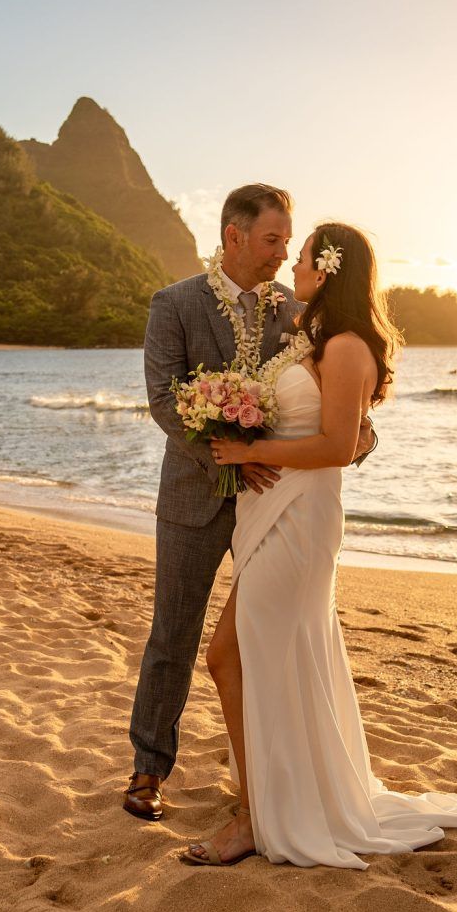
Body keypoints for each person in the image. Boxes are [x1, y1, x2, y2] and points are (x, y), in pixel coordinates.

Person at [185, 222, 457, 867]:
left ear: (327, 271)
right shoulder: (311, 340)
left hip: (299, 520)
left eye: (301, 257)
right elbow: (355, 435)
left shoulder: (349, 347)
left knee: (234, 656)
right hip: (269, 512)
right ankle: (264, 798)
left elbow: (338, 447)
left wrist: (252, 449)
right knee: (242, 657)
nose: (292, 267)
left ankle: (255, 815)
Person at [124, 187, 376, 821]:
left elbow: (336, 396)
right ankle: (149, 770)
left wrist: (359, 439)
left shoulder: (299, 309)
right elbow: (163, 402)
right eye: (272, 241)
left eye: (289, 244)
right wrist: (228, 455)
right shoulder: (174, 304)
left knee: (272, 641)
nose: (282, 254)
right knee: (174, 637)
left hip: (279, 508)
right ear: (234, 236)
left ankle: (266, 777)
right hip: (194, 498)